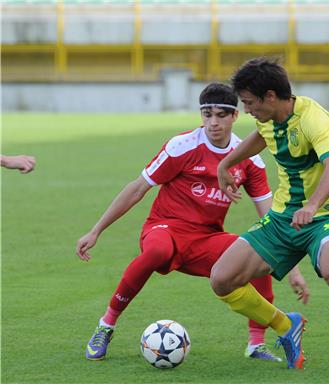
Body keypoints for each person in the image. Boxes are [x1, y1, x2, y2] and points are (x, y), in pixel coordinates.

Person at [76, 83, 309, 362]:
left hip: (206, 239)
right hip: (165, 228)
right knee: (157, 252)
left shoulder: (249, 160)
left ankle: (256, 343)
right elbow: (138, 188)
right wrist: (96, 230)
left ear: (235, 116)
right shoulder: (182, 146)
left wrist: (292, 269)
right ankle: (106, 326)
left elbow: (270, 217)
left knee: (257, 252)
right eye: (207, 114)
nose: (213, 122)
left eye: (221, 115)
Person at [209, 58, 329, 382]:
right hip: (283, 218)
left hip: (324, 216)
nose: (248, 110)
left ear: (270, 96)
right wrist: (225, 164)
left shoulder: (313, 118)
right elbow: (260, 136)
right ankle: (285, 325)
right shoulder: (268, 118)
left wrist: (311, 206)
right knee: (222, 279)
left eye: (250, 103)